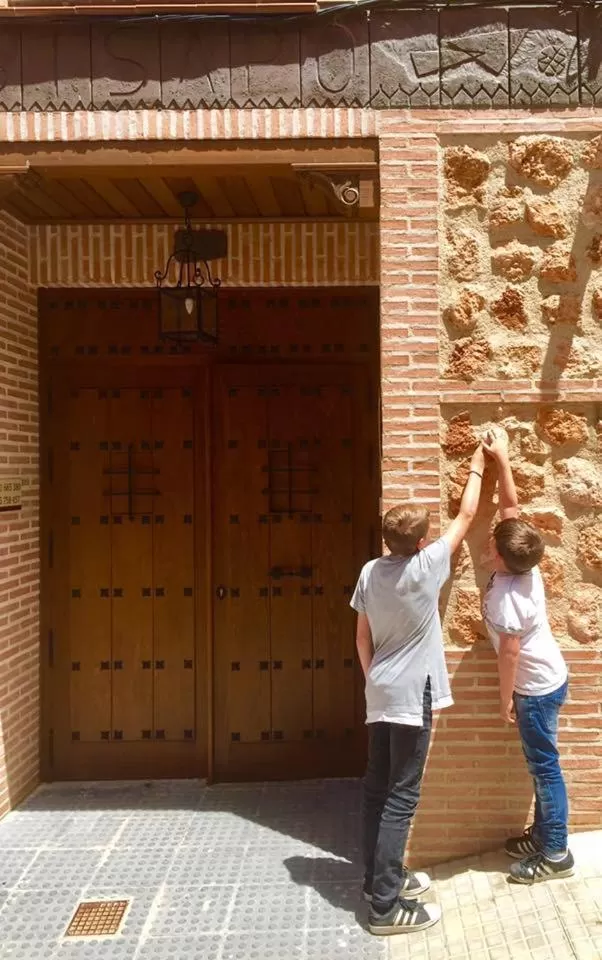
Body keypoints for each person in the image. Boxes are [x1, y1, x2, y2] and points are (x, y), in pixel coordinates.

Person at [350, 443, 486, 936]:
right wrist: (478, 463)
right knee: (402, 797)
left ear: (387, 539)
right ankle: (385, 909)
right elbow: (467, 514)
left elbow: (361, 637)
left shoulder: (369, 571)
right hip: (413, 695)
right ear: (422, 540)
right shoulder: (428, 567)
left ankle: (376, 880)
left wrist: (373, 681)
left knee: (375, 788)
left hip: (380, 690)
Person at [482, 425, 573, 884]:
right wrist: (502, 459)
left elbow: (509, 656)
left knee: (544, 767)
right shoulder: (525, 561)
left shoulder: (508, 599)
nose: (489, 546)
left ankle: (555, 852)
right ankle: (542, 834)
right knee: (543, 765)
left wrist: (505, 702)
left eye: (492, 549)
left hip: (534, 690)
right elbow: (510, 511)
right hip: (550, 679)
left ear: (502, 559)